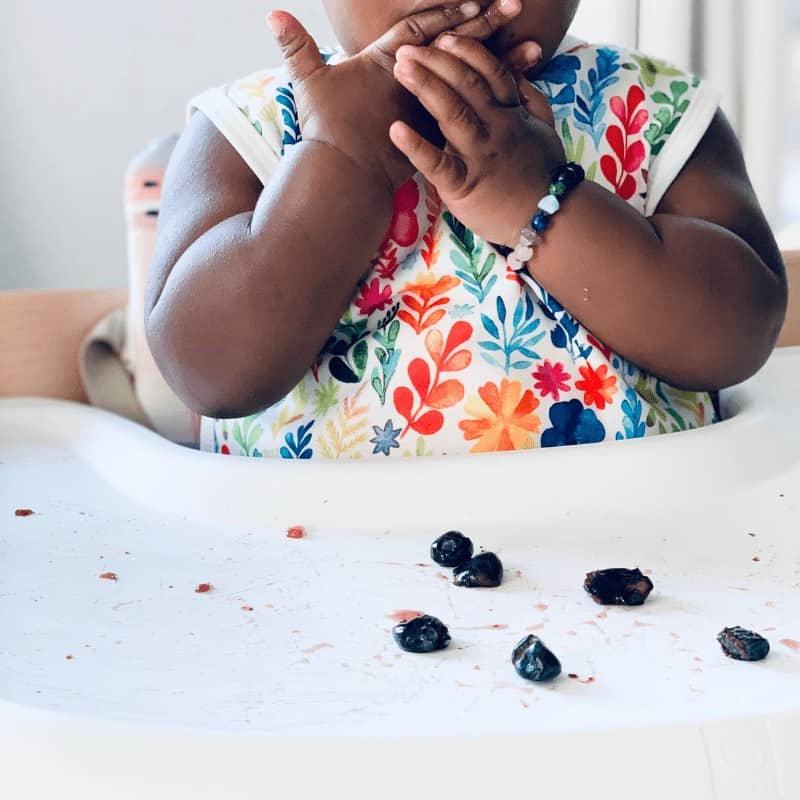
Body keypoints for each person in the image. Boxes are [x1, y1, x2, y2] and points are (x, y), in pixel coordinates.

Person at [143, 0, 787, 458]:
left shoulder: (648, 108)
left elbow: (738, 334)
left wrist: (544, 200)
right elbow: (208, 373)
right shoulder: (254, 124)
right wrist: (340, 159)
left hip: (632, 556)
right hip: (323, 560)